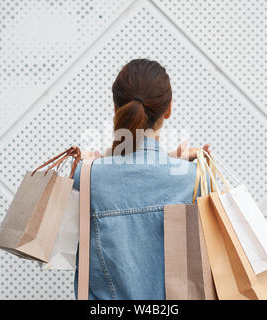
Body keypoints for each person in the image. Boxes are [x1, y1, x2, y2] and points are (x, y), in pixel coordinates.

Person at [72, 59, 209, 299]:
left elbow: (57, 249)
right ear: (168, 109)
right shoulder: (194, 180)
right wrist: (174, 161)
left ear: (117, 109)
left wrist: (88, 166)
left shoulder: (85, 178)